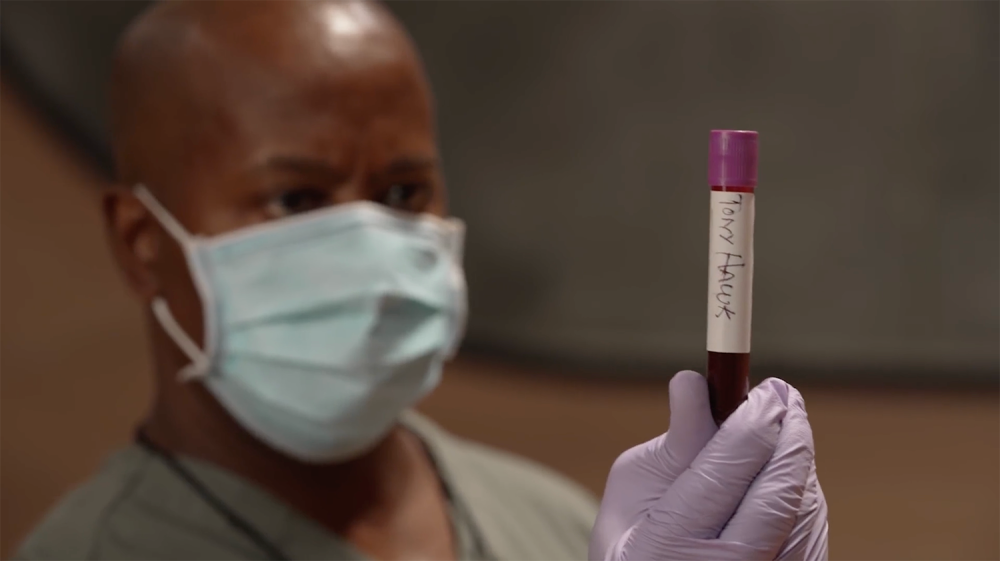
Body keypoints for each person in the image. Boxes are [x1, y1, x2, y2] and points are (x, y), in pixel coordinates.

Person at [13, 0, 828, 560]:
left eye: (405, 192)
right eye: (297, 197)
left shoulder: (554, 523)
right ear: (140, 240)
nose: (371, 240)